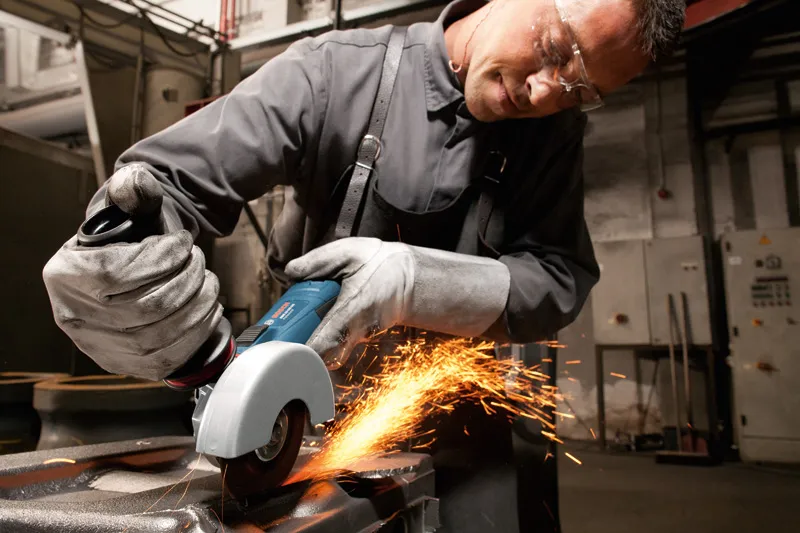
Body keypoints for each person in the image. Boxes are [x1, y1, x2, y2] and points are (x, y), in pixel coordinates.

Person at [42, 0, 684, 530]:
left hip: (463, 419)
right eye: (552, 46)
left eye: (580, 87)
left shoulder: (551, 135)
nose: (546, 89)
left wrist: (413, 281)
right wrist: (123, 258)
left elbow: (560, 277)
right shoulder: (333, 74)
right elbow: (169, 182)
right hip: (304, 409)